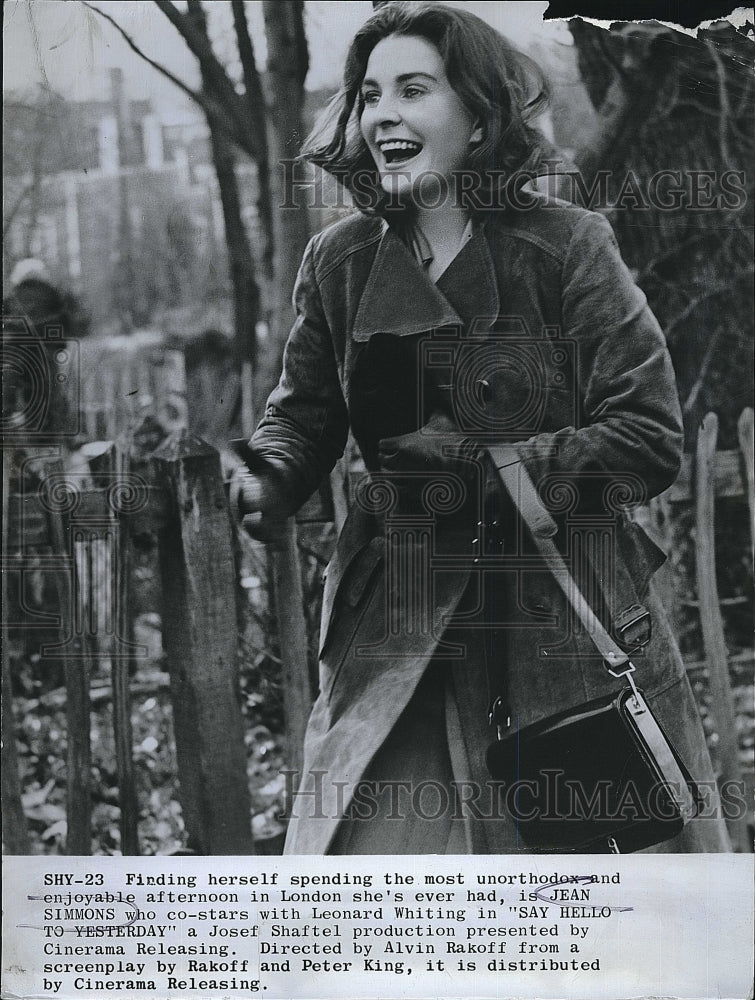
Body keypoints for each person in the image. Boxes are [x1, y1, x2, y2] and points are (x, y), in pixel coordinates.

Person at [231, 1, 731, 854]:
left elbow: (646, 435)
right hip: (399, 629)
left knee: (601, 915)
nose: (382, 112)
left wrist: (481, 461)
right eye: (368, 93)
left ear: (477, 113)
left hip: (558, 622)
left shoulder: (567, 244)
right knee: (379, 890)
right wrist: (267, 477)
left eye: (413, 89)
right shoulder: (339, 262)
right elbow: (302, 414)